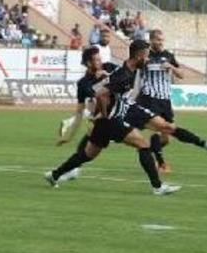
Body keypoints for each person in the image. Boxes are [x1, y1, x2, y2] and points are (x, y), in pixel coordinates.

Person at [44, 40, 180, 196]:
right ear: (139, 55)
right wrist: (106, 114)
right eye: (147, 56)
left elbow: (104, 88)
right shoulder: (123, 75)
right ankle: (158, 187)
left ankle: (54, 175)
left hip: (103, 123)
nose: (148, 60)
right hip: (112, 120)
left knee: (87, 155)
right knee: (143, 145)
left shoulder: (126, 70)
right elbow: (101, 94)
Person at [54, 47, 113, 182]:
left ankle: (68, 170)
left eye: (100, 58)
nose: (100, 62)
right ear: (88, 63)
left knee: (90, 136)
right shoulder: (83, 83)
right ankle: (70, 170)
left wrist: (107, 77)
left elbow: (124, 77)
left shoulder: (109, 67)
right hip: (106, 119)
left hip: (122, 112)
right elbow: (79, 113)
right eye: (97, 60)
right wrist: (68, 137)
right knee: (88, 143)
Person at [138, 29, 184, 173]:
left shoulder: (168, 56)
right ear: (151, 40)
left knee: (166, 139)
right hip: (150, 98)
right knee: (158, 129)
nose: (160, 42)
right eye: (158, 40)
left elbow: (181, 74)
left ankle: (146, 150)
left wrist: (170, 67)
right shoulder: (145, 55)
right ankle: (162, 164)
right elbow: (134, 69)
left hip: (165, 100)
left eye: (162, 40)